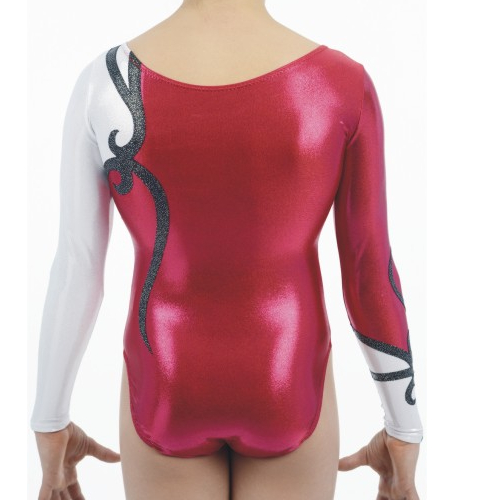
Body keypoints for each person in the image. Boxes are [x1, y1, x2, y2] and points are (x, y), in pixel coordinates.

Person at [30, 1, 424, 499]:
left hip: (166, 374)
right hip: (287, 371)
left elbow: (77, 266)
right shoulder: (341, 84)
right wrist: (403, 426)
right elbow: (369, 271)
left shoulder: (104, 83)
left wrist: (50, 419)